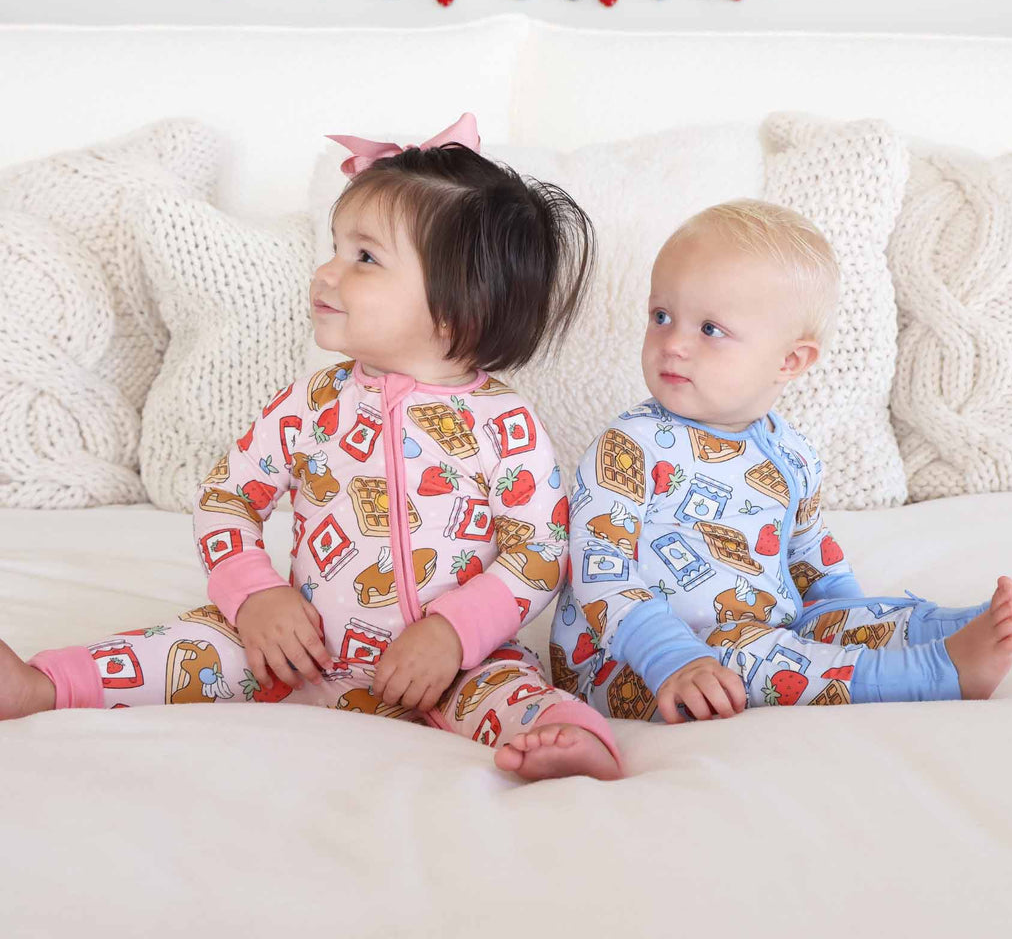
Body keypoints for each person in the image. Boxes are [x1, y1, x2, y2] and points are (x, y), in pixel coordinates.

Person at [1, 113, 622, 782]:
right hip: (300, 649)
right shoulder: (313, 403)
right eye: (334, 247)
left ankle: (567, 739)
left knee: (509, 692)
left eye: (364, 257)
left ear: (457, 310)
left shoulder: (506, 426)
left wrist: (454, 633)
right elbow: (228, 497)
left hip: (454, 665)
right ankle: (42, 686)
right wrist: (255, 595)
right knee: (186, 647)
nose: (325, 272)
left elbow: (539, 551)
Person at [550, 198, 1012, 723]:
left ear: (789, 360)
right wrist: (671, 658)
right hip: (630, 663)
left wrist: (857, 619)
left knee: (838, 620)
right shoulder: (629, 447)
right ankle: (934, 673)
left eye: (709, 329)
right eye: (661, 316)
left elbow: (811, 557)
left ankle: (1002, 625)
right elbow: (602, 570)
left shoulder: (791, 452)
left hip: (762, 628)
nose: (674, 344)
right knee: (753, 658)